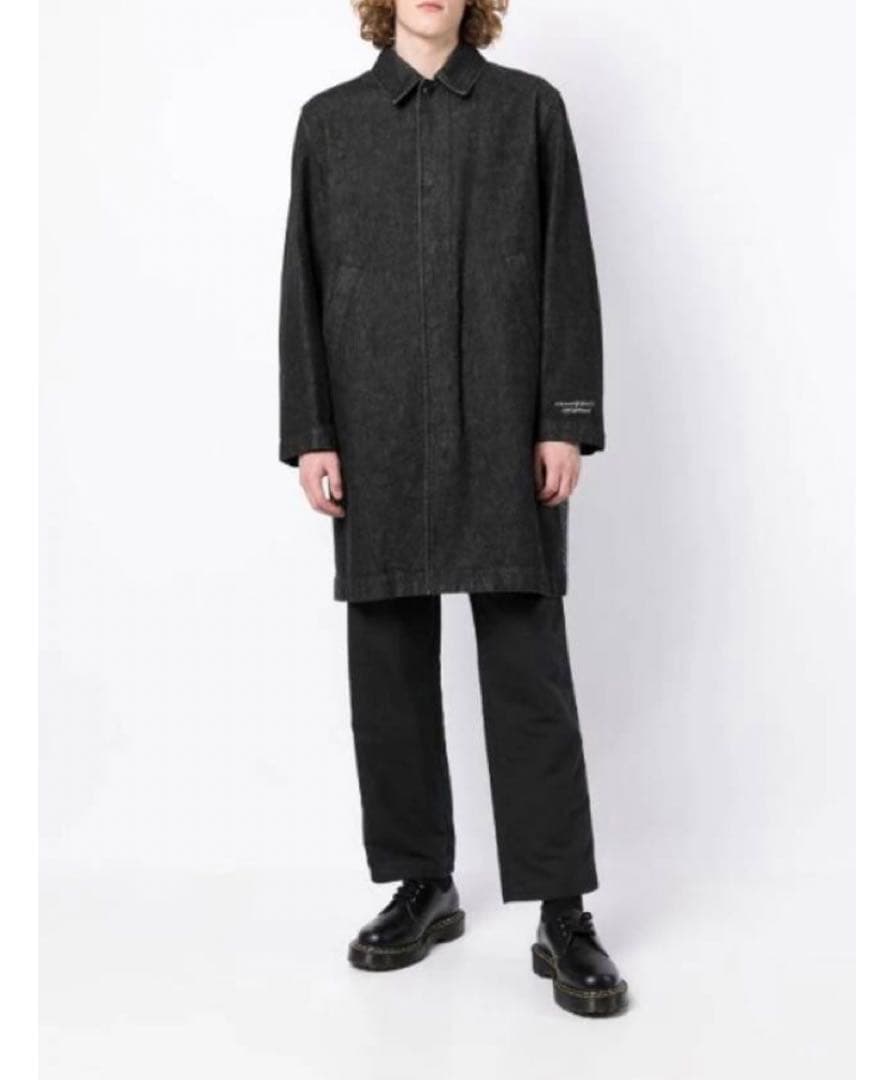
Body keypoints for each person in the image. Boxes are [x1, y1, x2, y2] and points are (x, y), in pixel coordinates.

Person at [279, 0, 628, 1017]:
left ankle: (562, 910)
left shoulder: (529, 111)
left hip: (505, 428)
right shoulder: (330, 123)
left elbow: (565, 265)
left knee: (527, 667)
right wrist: (313, 429)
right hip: (375, 430)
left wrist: (564, 418)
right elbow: (302, 280)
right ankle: (420, 883)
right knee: (386, 665)